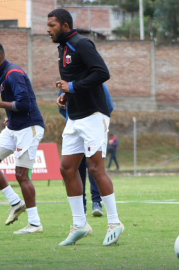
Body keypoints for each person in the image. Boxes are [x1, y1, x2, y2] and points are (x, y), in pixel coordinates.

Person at [48, 8, 124, 246]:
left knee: (95, 168)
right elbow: (75, 81)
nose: (47, 30)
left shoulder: (82, 44)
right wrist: (67, 96)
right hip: (74, 116)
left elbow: (102, 73)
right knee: (67, 168)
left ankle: (114, 222)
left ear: (66, 26)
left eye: (52, 25)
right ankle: (80, 224)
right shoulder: (62, 48)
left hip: (93, 115)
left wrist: (71, 87)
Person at [0, 42, 45, 235]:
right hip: (14, 127)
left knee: (21, 175)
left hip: (29, 128)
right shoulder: (2, 73)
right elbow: (18, 102)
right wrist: (9, 116)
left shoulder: (12, 73)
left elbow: (25, 104)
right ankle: (16, 203)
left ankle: (34, 224)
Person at [58, 83, 114, 217]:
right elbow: (62, 107)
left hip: (92, 129)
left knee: (94, 168)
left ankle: (96, 202)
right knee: (74, 169)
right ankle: (82, 207)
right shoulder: (65, 85)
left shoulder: (97, 82)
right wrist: (71, 119)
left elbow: (108, 107)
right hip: (74, 131)